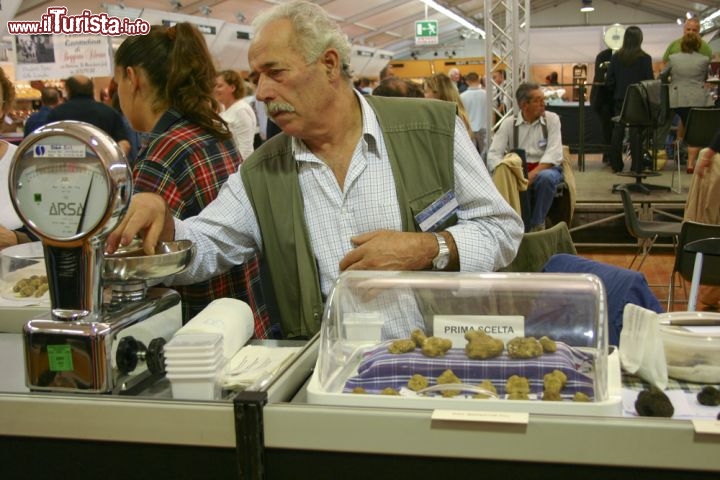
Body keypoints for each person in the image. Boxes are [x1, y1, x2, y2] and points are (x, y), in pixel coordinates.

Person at [106, 0, 523, 340]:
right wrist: (166, 229)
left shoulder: (431, 129)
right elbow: (210, 242)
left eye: (275, 73)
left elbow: (503, 231)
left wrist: (429, 248)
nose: (263, 92)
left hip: (438, 359)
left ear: (328, 64)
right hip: (327, 381)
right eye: (256, 77)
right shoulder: (262, 172)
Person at [113, 22, 271, 337]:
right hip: (241, 320)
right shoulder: (210, 131)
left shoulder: (161, 153)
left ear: (132, 78)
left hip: (195, 336)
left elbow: (141, 263)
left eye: (116, 81)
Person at [486, 82, 565, 233]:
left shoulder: (552, 120)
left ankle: (537, 224)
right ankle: (512, 226)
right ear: (524, 105)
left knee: (546, 178)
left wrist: (530, 177)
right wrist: (505, 171)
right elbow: (494, 154)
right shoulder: (509, 124)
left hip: (546, 168)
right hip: (519, 170)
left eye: (543, 99)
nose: (543, 104)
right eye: (538, 100)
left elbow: (554, 153)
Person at [605, 26, 654, 174]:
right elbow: (649, 81)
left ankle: (616, 165)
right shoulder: (645, 58)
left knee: (618, 130)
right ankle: (636, 165)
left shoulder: (616, 57)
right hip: (639, 100)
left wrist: (618, 90)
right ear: (640, 39)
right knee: (636, 132)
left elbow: (609, 81)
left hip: (620, 99)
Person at [663, 32, 713, 173]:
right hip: (699, 99)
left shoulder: (673, 58)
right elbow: (704, 77)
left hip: (679, 99)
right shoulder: (704, 60)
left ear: (682, 44)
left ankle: (673, 152)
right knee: (695, 130)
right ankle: (691, 163)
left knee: (682, 125)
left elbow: (663, 75)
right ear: (698, 45)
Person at [47, 75, 131, 157]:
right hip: (101, 166)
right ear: (92, 90)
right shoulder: (109, 112)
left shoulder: (56, 114)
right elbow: (124, 144)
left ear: (68, 91)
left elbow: (47, 144)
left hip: (65, 167)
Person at [0, 68, 34, 249]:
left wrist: (15, 239)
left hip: (14, 275)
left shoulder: (24, 164)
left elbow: (50, 236)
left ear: (3, 108)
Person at [214, 69, 257, 163]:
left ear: (232, 87)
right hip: (229, 162)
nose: (215, 89)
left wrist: (239, 173)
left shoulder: (241, 110)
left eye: (219, 86)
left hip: (239, 166)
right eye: (214, 86)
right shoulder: (224, 109)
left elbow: (246, 149)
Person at [423, 72, 473, 139]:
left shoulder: (445, 119)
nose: (424, 96)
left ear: (437, 93)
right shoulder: (457, 114)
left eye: (426, 91)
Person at [589, 47, 615, 164]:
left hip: (608, 99)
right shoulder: (602, 56)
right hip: (603, 99)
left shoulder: (602, 56)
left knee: (609, 129)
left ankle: (609, 155)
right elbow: (600, 77)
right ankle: (609, 155)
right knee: (608, 129)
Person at [459, 71, 488, 156]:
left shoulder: (462, 96)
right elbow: (492, 112)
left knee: (472, 156)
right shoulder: (486, 94)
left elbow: (461, 115)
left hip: (469, 129)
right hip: (485, 127)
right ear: (478, 79)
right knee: (485, 154)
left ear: (467, 81)